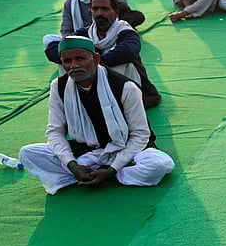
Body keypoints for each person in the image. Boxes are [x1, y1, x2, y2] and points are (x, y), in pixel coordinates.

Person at [22, 36, 174, 195]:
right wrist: (73, 165)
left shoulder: (126, 87)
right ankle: (84, 173)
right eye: (67, 61)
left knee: (159, 165)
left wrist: (111, 170)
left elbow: (140, 134)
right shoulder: (58, 87)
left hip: (127, 148)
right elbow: (55, 131)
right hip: (86, 150)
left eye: (80, 58)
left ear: (95, 59)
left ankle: (108, 175)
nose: (73, 65)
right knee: (28, 153)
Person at [45, 0, 161, 108]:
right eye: (95, 9)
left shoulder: (126, 32)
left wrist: (90, 63)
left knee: (122, 63)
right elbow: (53, 50)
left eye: (105, 9)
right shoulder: (87, 33)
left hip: (122, 86)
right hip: (92, 80)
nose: (99, 13)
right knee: (66, 58)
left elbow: (127, 52)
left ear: (115, 13)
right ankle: (77, 100)